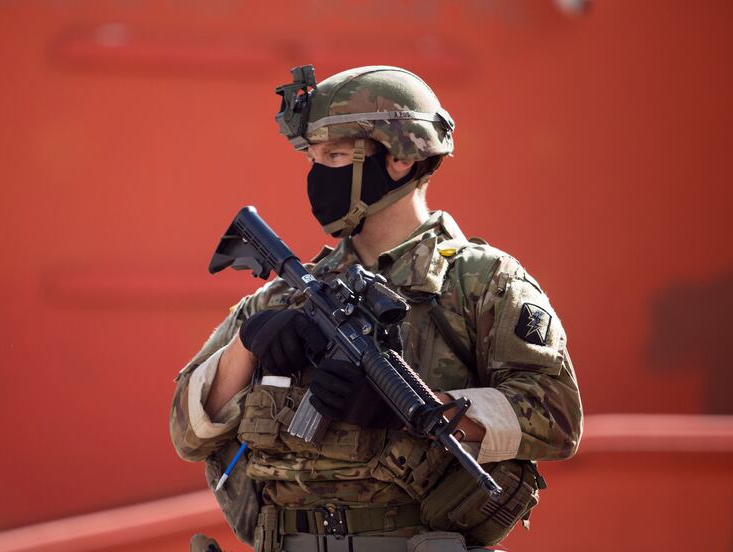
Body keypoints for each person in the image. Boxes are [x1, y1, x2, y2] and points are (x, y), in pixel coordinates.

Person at [171, 65, 583, 552]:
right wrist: (247, 345)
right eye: (314, 158)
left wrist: (413, 411)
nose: (319, 174)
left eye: (338, 155)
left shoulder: (479, 282)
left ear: (401, 158)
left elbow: (557, 417)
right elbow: (186, 433)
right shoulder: (284, 294)